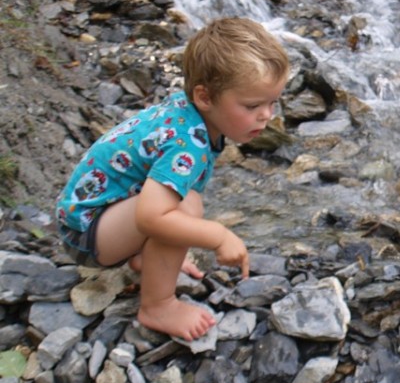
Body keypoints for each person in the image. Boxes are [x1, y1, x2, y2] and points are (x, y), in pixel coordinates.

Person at [56, 17, 290, 341]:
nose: (266, 115)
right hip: (85, 233)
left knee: (182, 203)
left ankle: (149, 260)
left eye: (272, 102)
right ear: (205, 97)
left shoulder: (189, 113)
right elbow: (152, 217)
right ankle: (158, 305)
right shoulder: (188, 142)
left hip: (98, 216)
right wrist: (218, 236)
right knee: (185, 209)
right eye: (252, 105)